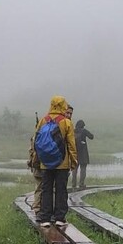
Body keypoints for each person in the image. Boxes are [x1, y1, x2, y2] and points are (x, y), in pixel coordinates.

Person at [33, 96, 78, 229]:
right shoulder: (66, 122)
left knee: (46, 189)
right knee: (61, 190)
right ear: (63, 105)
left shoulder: (43, 120)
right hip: (62, 163)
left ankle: (45, 218)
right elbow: (71, 144)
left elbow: (37, 142)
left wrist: (36, 159)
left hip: (45, 163)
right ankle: (59, 218)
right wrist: (74, 161)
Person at [70, 118, 94, 190]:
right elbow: (91, 137)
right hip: (83, 154)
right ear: (83, 126)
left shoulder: (73, 131)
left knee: (74, 169)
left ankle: (73, 185)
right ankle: (81, 184)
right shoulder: (84, 131)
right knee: (83, 169)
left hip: (75, 153)